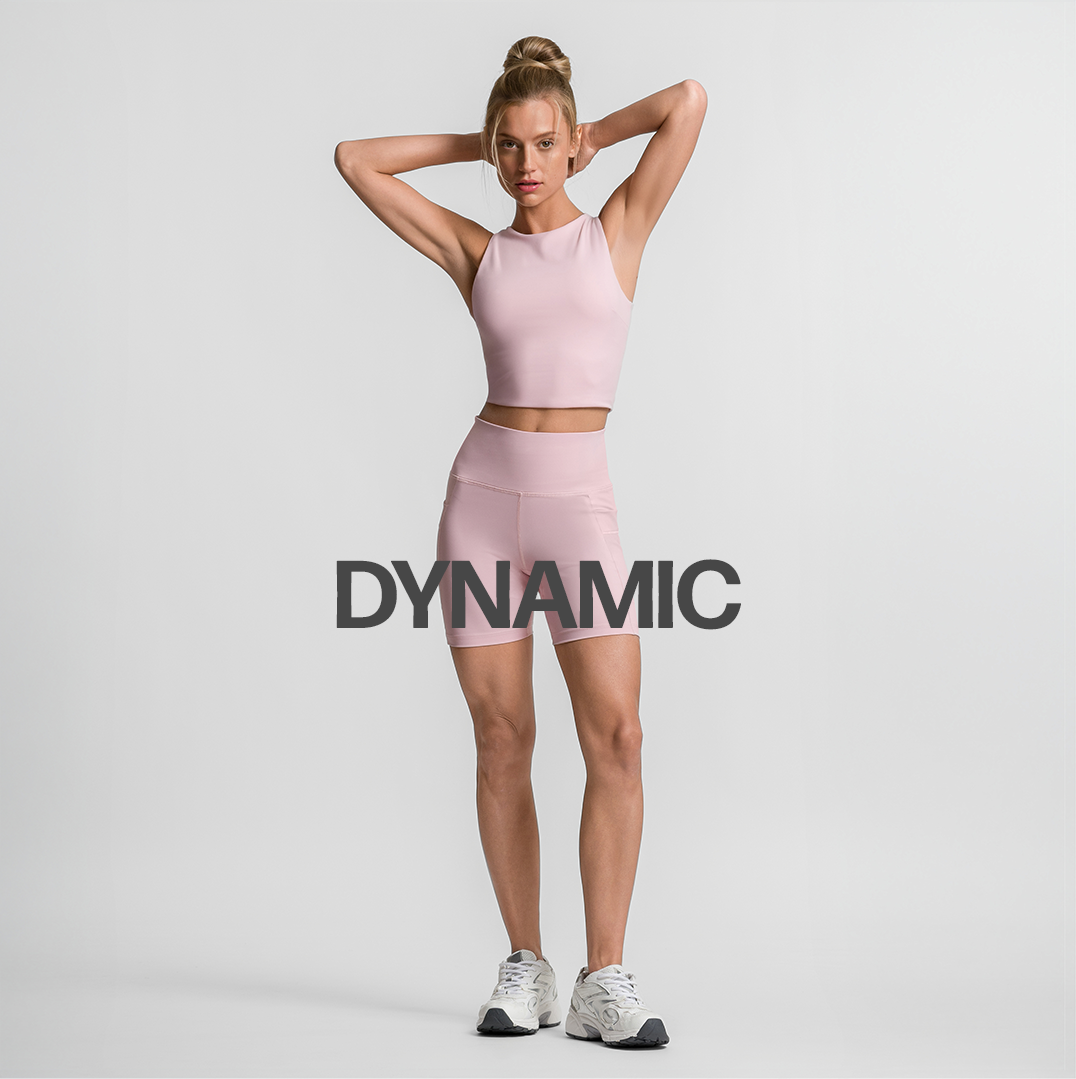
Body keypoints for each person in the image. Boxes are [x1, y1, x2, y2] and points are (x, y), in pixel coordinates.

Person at [334, 35, 705, 1048]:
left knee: (617, 737)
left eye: (543, 143)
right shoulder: (478, 252)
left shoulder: (617, 229)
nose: (525, 162)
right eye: (510, 145)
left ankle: (603, 977)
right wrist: (476, 141)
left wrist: (594, 134)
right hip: (483, 503)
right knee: (502, 738)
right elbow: (355, 160)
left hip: (577, 504)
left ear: (568, 140)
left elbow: (686, 100)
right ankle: (527, 966)